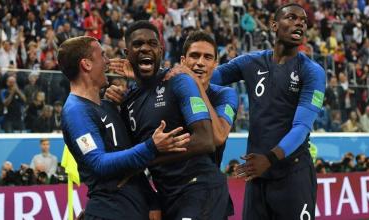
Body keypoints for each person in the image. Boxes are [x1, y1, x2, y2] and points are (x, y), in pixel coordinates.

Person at [210, 3, 326, 219]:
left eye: (303, 20)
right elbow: (209, 77)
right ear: (274, 25)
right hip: (258, 175)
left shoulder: (312, 71)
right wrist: (164, 75)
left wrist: (270, 158)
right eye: (291, 17)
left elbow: (301, 128)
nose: (300, 22)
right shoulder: (251, 62)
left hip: (293, 175)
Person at [108, 30, 239, 219]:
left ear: (215, 64)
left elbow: (217, 138)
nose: (200, 62)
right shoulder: (171, 86)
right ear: (183, 61)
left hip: (202, 188)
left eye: (208, 57)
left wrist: (193, 82)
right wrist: (137, 82)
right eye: (194, 56)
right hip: (168, 192)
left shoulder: (224, 95)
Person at [58, 36, 190, 220]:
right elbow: (99, 164)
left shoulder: (108, 105)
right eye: (102, 55)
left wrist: (152, 201)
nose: (107, 61)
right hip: (110, 210)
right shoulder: (76, 112)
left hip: (134, 208)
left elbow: (130, 161)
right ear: (86, 64)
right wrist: (152, 146)